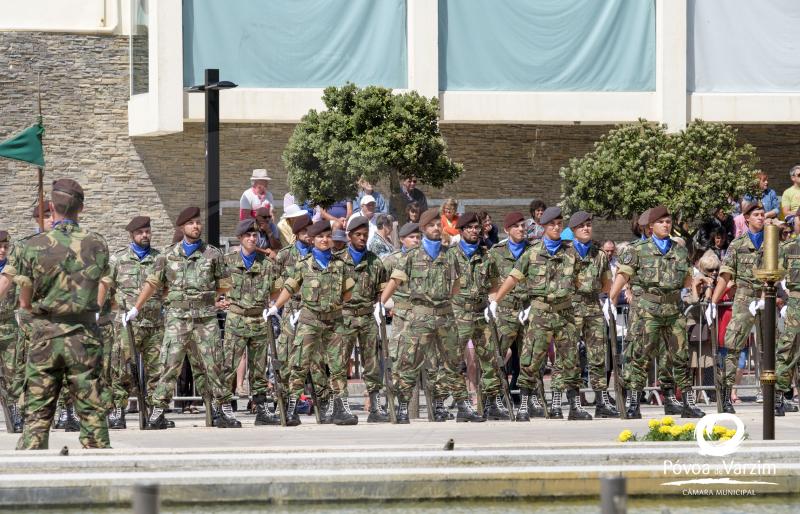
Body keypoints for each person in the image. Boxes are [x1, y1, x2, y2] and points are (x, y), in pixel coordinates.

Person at [4, 179, 111, 449]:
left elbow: (22, 293)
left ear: (51, 207)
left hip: (45, 335)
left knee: (37, 413)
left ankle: (33, 475)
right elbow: (103, 284)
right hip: (85, 334)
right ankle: (102, 474)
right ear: (81, 208)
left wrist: (28, 307)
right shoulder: (97, 244)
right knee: (92, 411)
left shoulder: (31, 245)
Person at [124, 206, 239, 429]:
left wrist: (211, 299)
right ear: (182, 227)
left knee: (214, 365)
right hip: (177, 320)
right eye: (191, 223)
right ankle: (157, 413)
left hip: (205, 319)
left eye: (198, 222)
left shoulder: (213, 254)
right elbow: (153, 283)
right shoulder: (168, 255)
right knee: (169, 365)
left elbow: (224, 285)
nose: (196, 226)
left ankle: (222, 410)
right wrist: (136, 308)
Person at [380, 208, 480, 423]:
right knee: (409, 363)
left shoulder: (450, 254)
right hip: (420, 317)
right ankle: (403, 408)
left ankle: (463, 406)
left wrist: (445, 300)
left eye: (438, 224)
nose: (436, 228)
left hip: (445, 316)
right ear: (424, 229)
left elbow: (455, 284)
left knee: (453, 363)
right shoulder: (411, 256)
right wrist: (381, 305)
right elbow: (394, 281)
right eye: (432, 225)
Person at [491, 207, 591, 421]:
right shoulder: (532, 252)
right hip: (540, 313)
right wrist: (496, 301)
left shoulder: (571, 252)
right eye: (552, 224)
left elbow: (581, 281)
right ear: (544, 227)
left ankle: (574, 406)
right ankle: (524, 406)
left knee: (570, 360)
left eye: (559, 224)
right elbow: (514, 277)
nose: (556, 227)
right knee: (531, 360)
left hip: (565, 313)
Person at [607, 205, 705, 419]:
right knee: (640, 355)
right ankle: (633, 402)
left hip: (673, 310)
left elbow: (687, 279)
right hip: (646, 310)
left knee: (680, 356)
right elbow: (623, 275)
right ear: (651, 226)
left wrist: (695, 290)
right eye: (662, 222)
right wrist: (611, 299)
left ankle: (686, 402)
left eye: (668, 221)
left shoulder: (679, 250)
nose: (666, 225)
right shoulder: (637, 249)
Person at [265, 220, 355, 426]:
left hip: (334, 322)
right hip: (309, 321)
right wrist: (274, 307)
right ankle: (291, 409)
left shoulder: (340, 265)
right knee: (299, 364)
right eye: (320, 237)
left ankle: (341, 409)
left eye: (328, 236)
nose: (325, 240)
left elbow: (347, 293)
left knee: (338, 366)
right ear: (313, 240)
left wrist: (335, 304)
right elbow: (289, 288)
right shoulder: (303, 264)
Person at [104, 216, 165, 430]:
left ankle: (155, 413)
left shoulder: (160, 258)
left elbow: (165, 287)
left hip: (155, 323)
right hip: (127, 324)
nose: (145, 235)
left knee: (157, 370)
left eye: (147, 231)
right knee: (122, 369)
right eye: (140, 233)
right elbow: (108, 287)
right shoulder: (118, 259)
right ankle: (118, 411)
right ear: (132, 235)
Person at [708, 201, 769, 414]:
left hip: (767, 298)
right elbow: (726, 276)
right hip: (744, 297)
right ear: (747, 219)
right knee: (733, 347)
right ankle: (725, 396)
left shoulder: (773, 243)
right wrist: (713, 302)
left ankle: (777, 397)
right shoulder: (737, 244)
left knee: (772, 347)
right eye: (757, 215)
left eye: (763, 214)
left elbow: (781, 274)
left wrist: (769, 297)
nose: (761, 218)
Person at [220, 219, 282, 426]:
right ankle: (224, 407)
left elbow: (277, 289)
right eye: (248, 235)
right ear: (240, 238)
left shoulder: (266, 264)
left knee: (259, 366)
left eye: (255, 235)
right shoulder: (227, 261)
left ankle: (261, 407)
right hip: (236, 318)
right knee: (229, 363)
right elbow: (217, 285)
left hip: (258, 318)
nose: (252, 238)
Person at [273, 214, 333, 424]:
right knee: (289, 356)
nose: (309, 235)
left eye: (311, 231)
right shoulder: (284, 256)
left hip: (313, 310)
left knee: (317, 359)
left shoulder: (321, 255)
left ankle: (324, 404)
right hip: (291, 308)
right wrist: (275, 308)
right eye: (305, 232)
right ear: (297, 234)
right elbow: (278, 286)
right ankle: (284, 402)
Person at [333, 216, 389, 423]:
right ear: (349, 236)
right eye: (358, 234)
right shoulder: (337, 261)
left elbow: (381, 290)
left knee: (373, 363)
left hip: (367, 317)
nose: (362, 238)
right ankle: (341, 406)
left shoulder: (375, 261)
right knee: (339, 363)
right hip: (344, 317)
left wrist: (379, 306)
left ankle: (375, 406)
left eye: (365, 235)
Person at [449, 212, 503, 421]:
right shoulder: (450, 256)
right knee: (454, 361)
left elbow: (494, 285)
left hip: (481, 313)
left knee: (490, 358)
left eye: (476, 227)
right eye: (469, 228)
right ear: (461, 231)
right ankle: (463, 405)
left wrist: (493, 304)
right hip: (458, 314)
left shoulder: (487, 255)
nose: (474, 231)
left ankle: (491, 403)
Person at [487, 212, 541, 419]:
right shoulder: (496, 252)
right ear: (507, 229)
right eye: (516, 226)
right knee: (498, 358)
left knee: (532, 358)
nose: (521, 229)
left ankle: (530, 400)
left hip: (528, 310)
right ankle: (496, 399)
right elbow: (489, 280)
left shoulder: (534, 251)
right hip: (505, 311)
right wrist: (494, 302)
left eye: (523, 226)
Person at [567, 212, 619, 418]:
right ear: (573, 230)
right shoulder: (565, 253)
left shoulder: (598, 255)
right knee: (570, 357)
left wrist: (609, 304)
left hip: (592, 308)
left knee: (597, 357)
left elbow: (607, 284)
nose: (586, 229)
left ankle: (601, 401)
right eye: (582, 226)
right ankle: (573, 402)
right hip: (570, 308)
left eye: (589, 225)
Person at [381, 223, 421, 362]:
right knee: (398, 355)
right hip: (401, 314)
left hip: (422, 315)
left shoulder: (426, 258)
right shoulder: (392, 260)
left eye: (418, 237)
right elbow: (381, 284)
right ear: (402, 239)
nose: (416, 240)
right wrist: (387, 304)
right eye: (412, 237)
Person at [0, 230, 22, 433]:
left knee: (12, 373)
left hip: (7, 326)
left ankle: (15, 411)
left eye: (5, 246)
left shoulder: (13, 270)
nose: (2, 250)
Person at [776, 229, 800, 416]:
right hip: (796, 303)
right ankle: (778, 396)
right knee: (788, 350)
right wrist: (784, 298)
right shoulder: (789, 247)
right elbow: (773, 276)